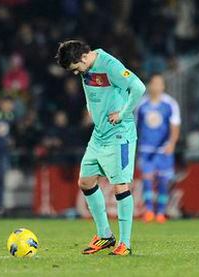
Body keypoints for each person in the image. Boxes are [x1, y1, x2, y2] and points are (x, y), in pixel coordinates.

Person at [55, 40, 146, 256]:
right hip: (99, 134)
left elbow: (138, 87)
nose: (77, 74)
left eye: (76, 69)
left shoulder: (109, 65)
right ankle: (105, 235)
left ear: (84, 58)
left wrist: (122, 113)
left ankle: (124, 243)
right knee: (85, 181)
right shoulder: (87, 65)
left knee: (120, 187)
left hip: (119, 133)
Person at [137, 73, 181, 223]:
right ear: (150, 85)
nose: (156, 86)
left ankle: (161, 212)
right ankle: (149, 211)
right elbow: (136, 126)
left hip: (163, 150)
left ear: (163, 86)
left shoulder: (170, 104)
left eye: (159, 83)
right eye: (154, 83)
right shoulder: (141, 105)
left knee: (163, 181)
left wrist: (172, 143)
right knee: (147, 180)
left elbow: (175, 125)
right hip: (146, 149)